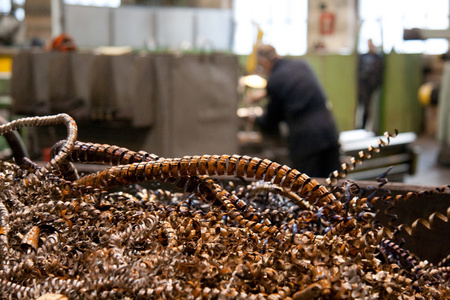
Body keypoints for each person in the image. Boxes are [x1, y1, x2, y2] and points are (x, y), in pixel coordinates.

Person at [250, 44, 341, 178]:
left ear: (265, 62)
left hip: (306, 140)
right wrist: (266, 93)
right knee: (334, 185)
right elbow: (296, 89)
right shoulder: (301, 65)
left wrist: (255, 119)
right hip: (328, 130)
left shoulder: (275, 80)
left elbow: (271, 120)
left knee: (308, 189)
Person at [356, 39, 383, 130]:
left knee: (371, 108)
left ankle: (369, 128)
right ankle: (361, 127)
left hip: (373, 86)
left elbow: (380, 72)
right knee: (363, 106)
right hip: (363, 85)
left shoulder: (378, 58)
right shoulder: (363, 57)